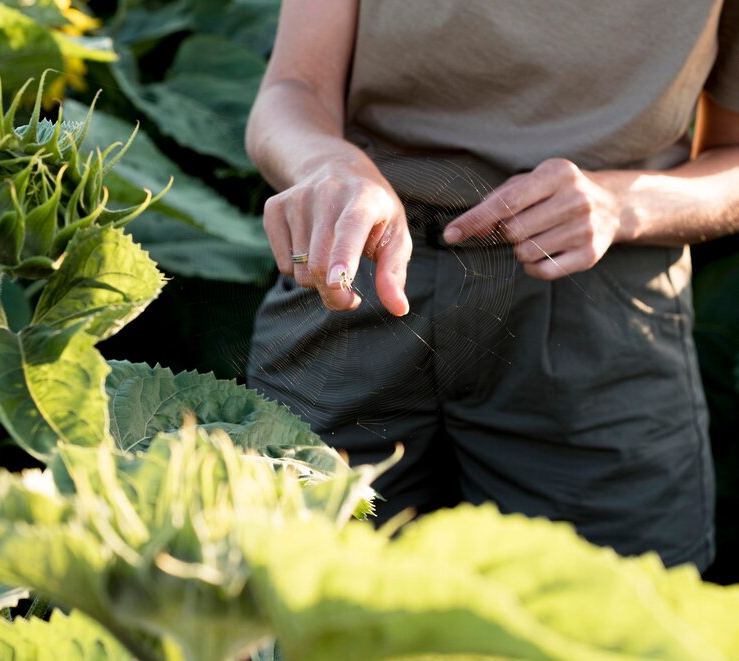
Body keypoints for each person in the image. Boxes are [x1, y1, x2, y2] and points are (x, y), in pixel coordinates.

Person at [245, 0, 739, 572]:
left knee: (600, 623)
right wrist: (328, 167)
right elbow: (293, 87)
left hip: (597, 304)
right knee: (287, 600)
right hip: (358, 260)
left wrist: (622, 203)